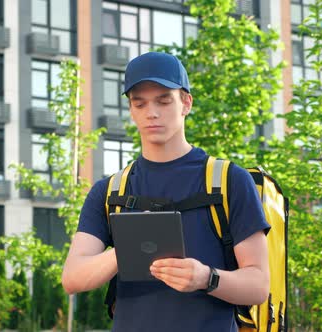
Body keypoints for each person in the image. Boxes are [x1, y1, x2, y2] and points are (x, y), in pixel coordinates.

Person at [61, 52, 270, 331]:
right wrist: (125, 250)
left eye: (163, 100)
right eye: (140, 103)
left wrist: (206, 278)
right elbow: (72, 278)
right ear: (131, 110)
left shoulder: (230, 181)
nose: (152, 112)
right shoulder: (109, 191)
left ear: (186, 103)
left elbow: (258, 286)